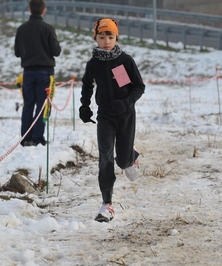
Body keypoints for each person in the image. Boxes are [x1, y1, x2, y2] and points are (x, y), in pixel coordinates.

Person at [79, 18, 145, 223]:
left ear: (116, 37)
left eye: (110, 36)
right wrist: (84, 106)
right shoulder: (94, 63)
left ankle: (130, 157)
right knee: (105, 156)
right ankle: (106, 203)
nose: (106, 40)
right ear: (95, 38)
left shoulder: (124, 61)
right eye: (101, 36)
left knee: (122, 160)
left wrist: (126, 103)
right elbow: (87, 85)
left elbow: (138, 87)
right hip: (105, 116)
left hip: (125, 114)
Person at [14, 0, 61, 147]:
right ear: (44, 10)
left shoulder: (21, 29)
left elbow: (17, 53)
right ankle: (37, 137)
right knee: (43, 105)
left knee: (28, 105)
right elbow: (56, 51)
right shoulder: (48, 29)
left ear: (29, 9)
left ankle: (26, 137)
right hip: (45, 73)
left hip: (28, 72)